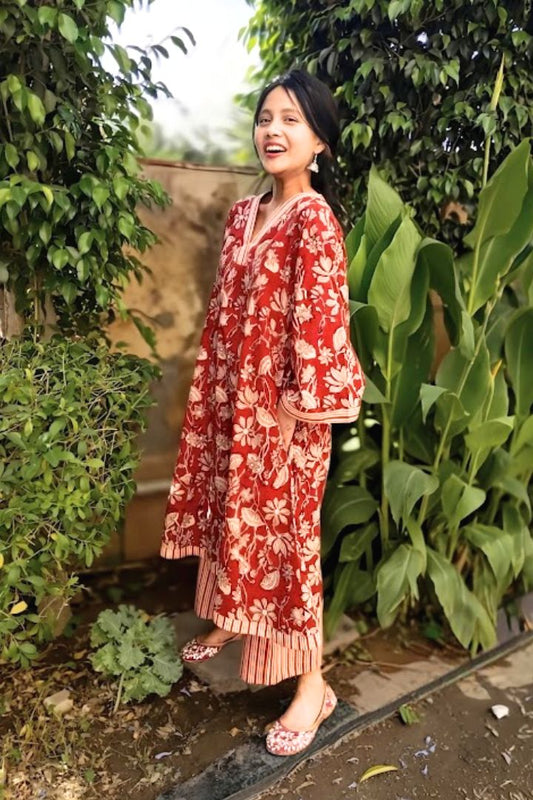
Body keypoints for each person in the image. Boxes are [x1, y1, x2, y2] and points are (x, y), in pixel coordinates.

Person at [161, 69, 365, 756]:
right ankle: (233, 617)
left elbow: (322, 323)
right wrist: (217, 396)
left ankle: (313, 684)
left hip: (284, 420)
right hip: (231, 405)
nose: (272, 131)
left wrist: (292, 411)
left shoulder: (315, 221)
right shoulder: (244, 215)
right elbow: (226, 314)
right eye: (265, 117)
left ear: (320, 145)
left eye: (292, 121)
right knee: (228, 516)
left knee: (285, 548)